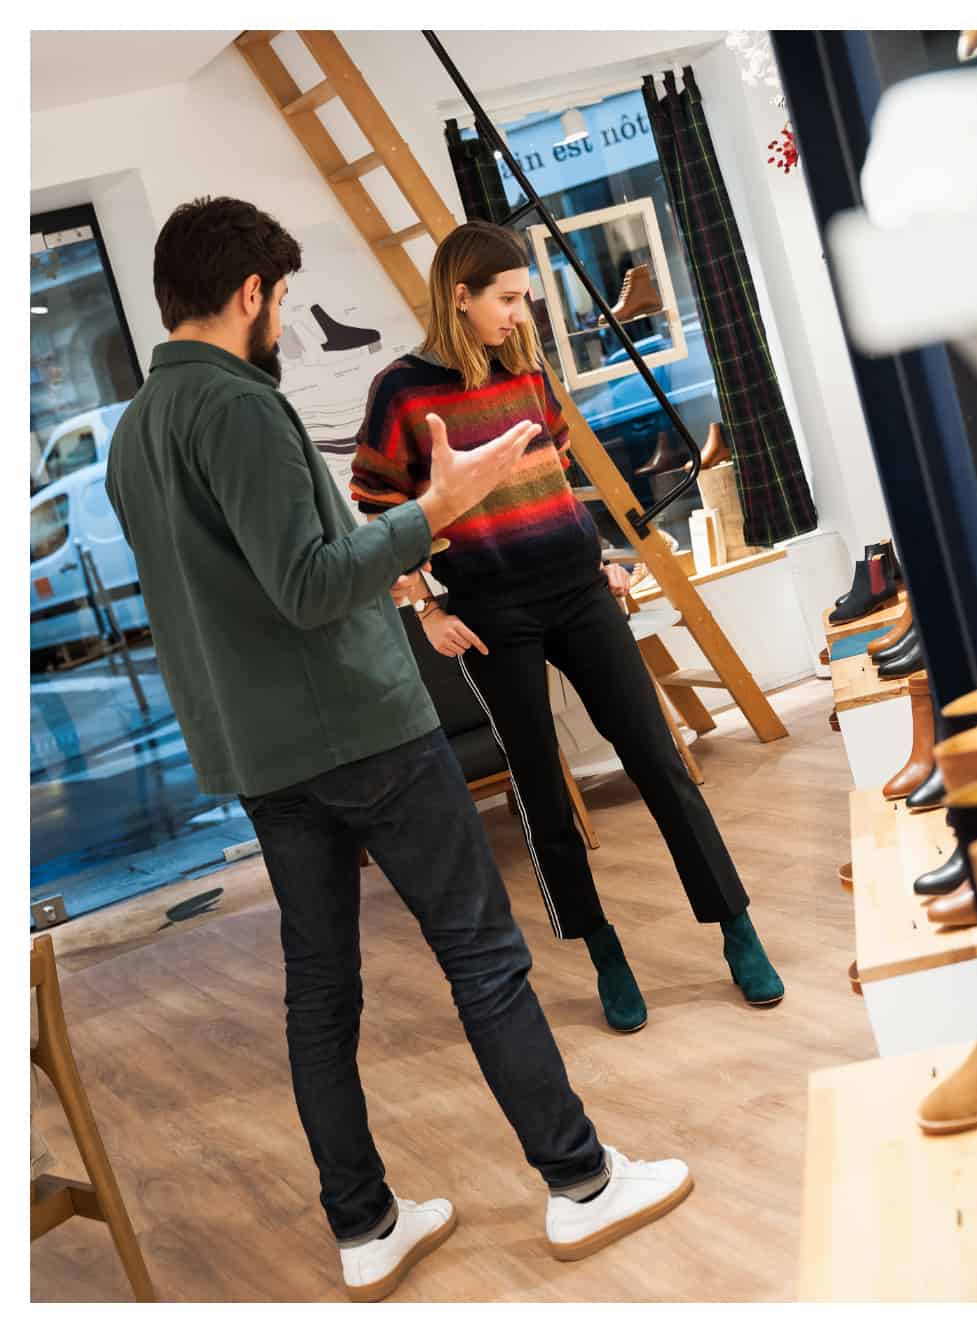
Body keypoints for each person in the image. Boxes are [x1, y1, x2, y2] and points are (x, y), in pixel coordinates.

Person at [105, 197, 692, 1300]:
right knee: (483, 956)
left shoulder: (135, 434)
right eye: (278, 299)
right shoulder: (239, 406)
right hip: (361, 728)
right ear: (250, 296)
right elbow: (311, 582)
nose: (281, 320)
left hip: (262, 758)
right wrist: (437, 506)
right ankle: (580, 1181)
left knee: (320, 994)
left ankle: (365, 1224)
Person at [350, 221, 784, 1031]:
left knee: (660, 760)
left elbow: (552, 474)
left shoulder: (526, 371)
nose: (520, 315)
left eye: (524, 299)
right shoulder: (401, 393)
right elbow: (374, 513)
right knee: (542, 790)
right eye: (507, 300)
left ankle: (735, 926)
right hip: (488, 611)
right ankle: (603, 949)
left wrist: (602, 556)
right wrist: (426, 605)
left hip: (579, 590)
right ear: (462, 298)